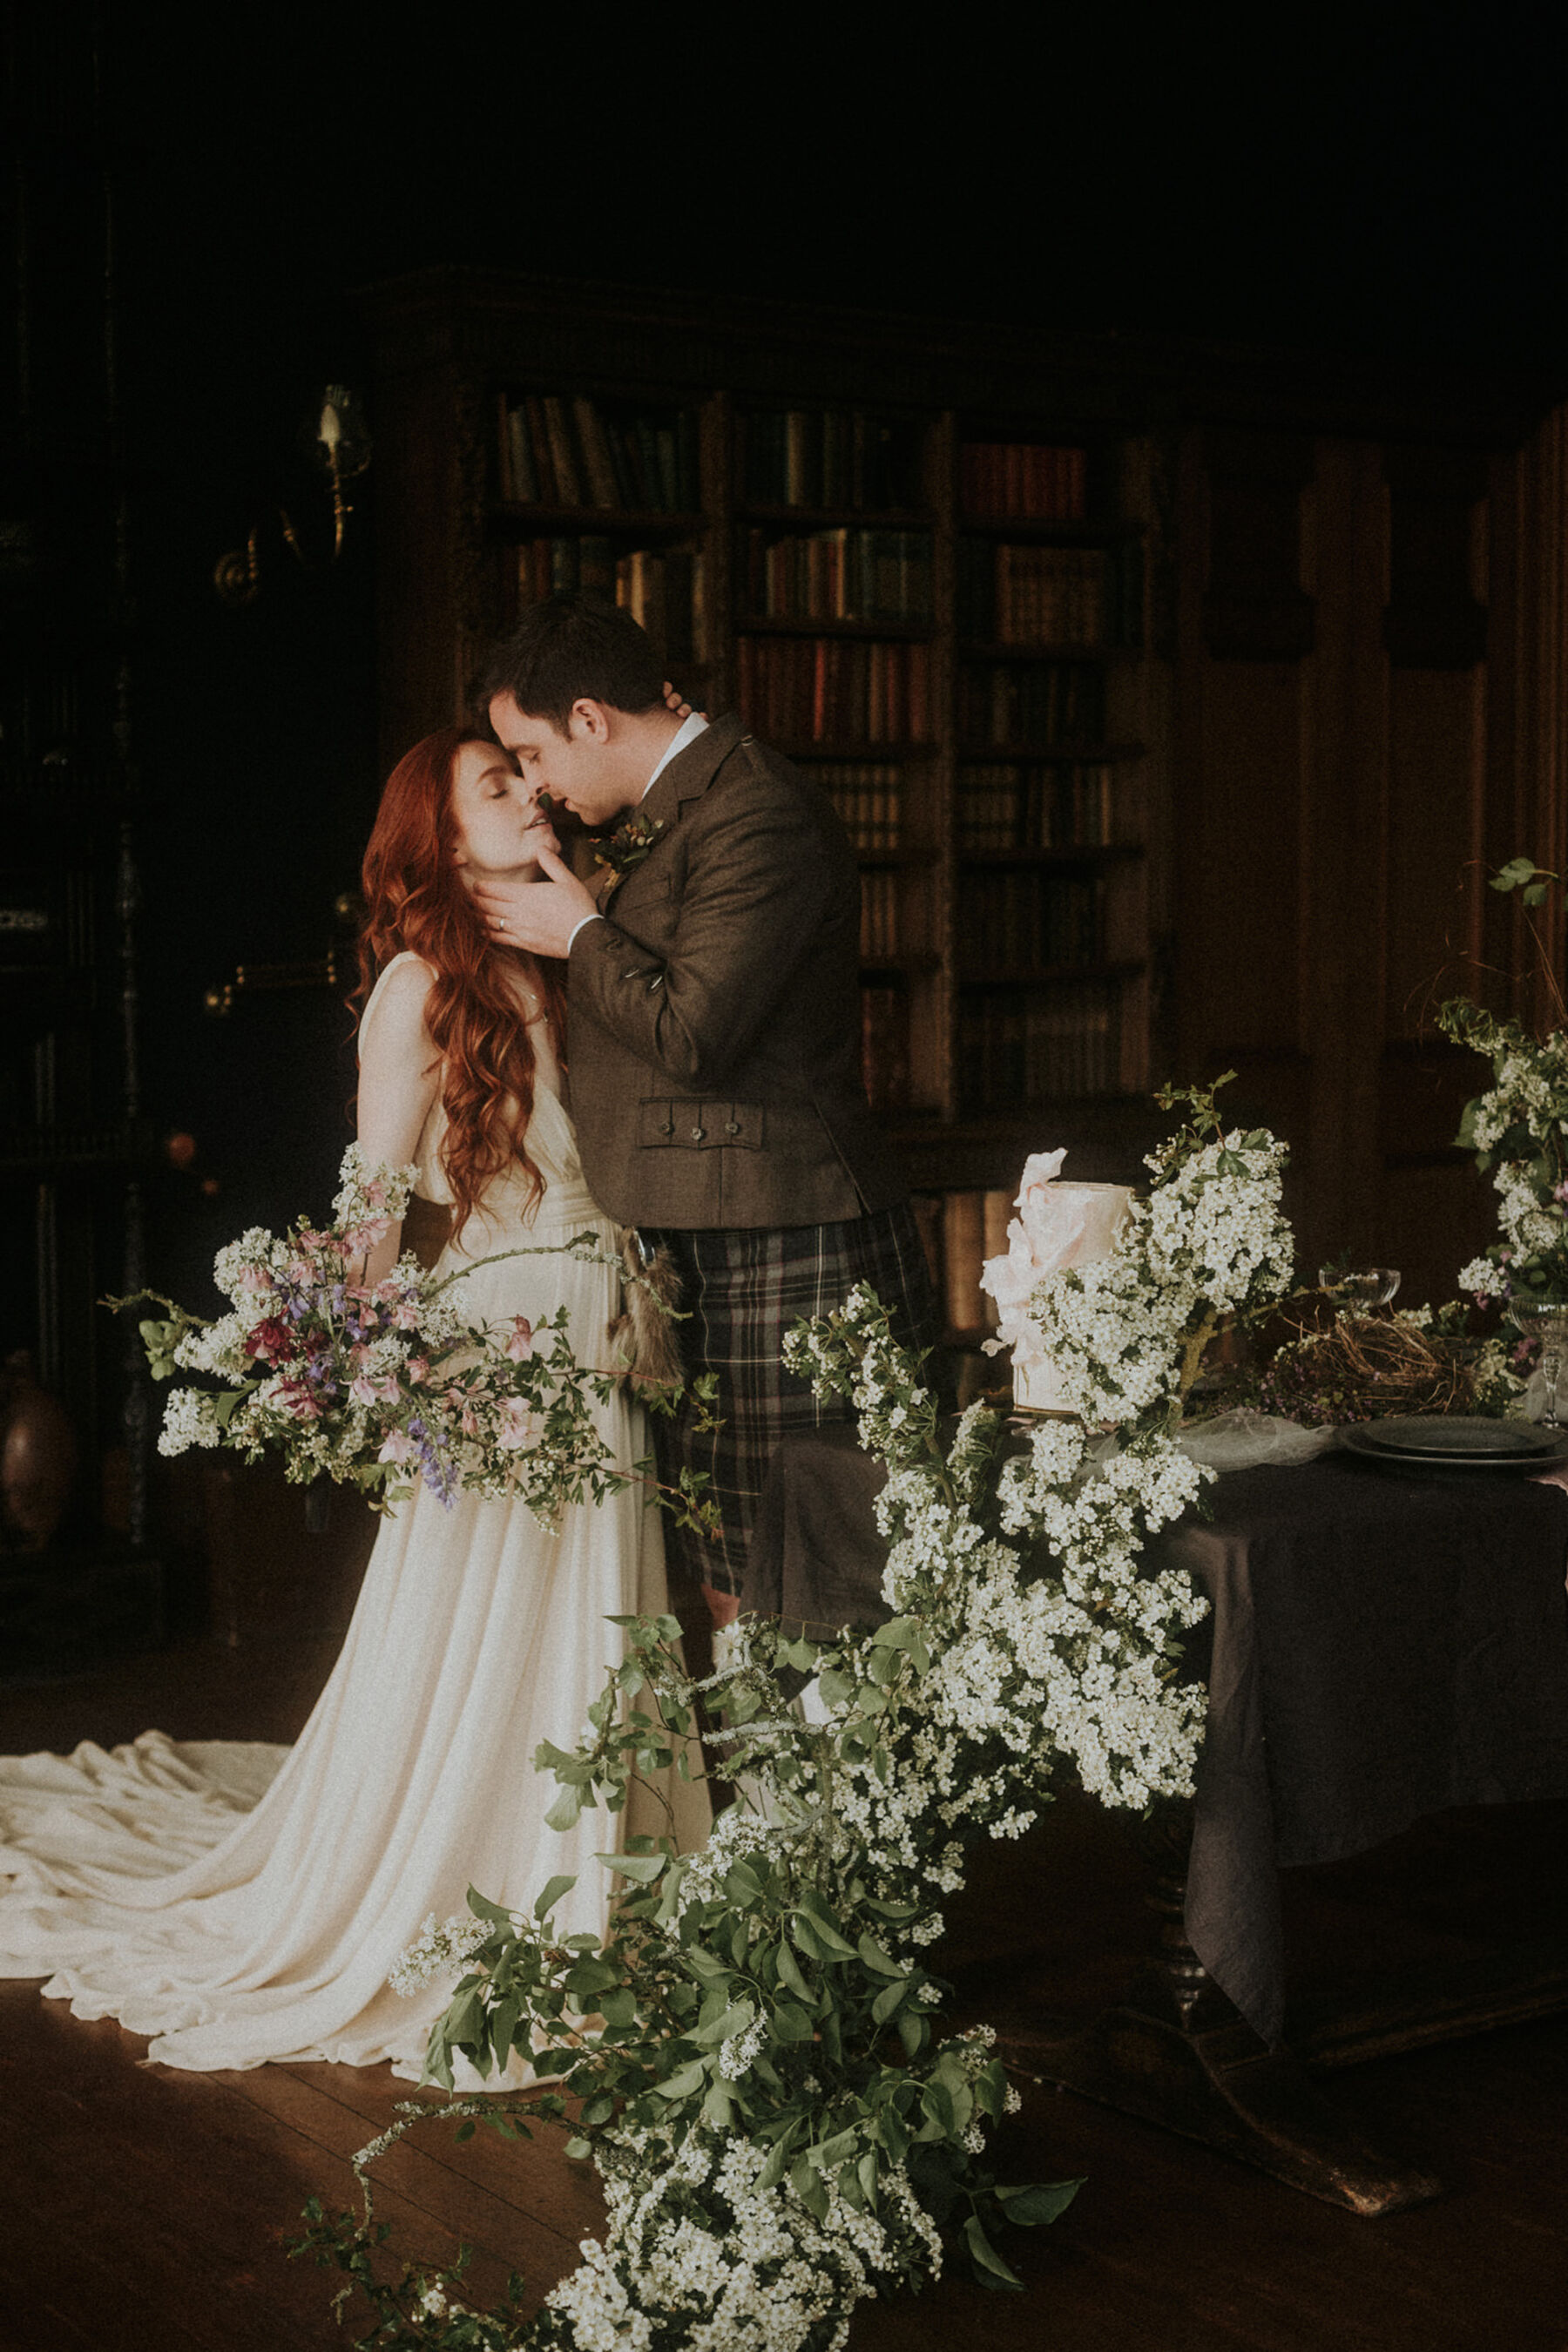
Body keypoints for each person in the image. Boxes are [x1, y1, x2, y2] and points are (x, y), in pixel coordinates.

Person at [0, 723, 707, 2074]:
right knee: (493, 1625)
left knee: (601, 1611)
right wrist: (343, 1346)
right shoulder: (416, 989)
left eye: (526, 777)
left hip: (602, 1325)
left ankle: (606, 1895)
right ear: (436, 842)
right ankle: (482, 1889)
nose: (530, 796)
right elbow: (377, 1194)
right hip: (503, 1338)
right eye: (495, 789)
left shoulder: (575, 950)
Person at [470, 596, 940, 1632]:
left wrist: (578, 932)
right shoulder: (668, 805)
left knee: (827, 1567)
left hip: (789, 1238)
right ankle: (773, 1792)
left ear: (591, 718)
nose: (536, 783)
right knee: (732, 1559)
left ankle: (833, 1797)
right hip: (707, 1236)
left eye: (530, 751)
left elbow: (694, 1032)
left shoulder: (756, 810)